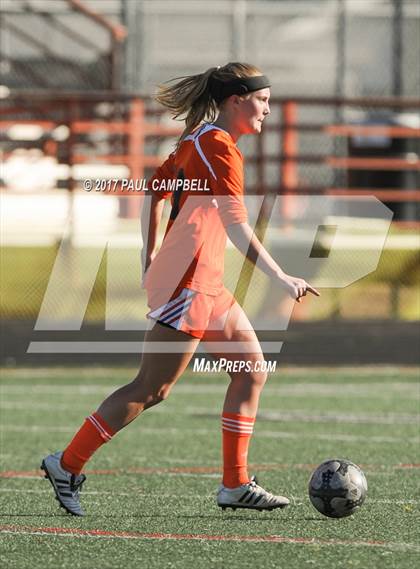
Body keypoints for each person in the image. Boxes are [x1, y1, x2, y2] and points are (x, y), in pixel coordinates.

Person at [41, 62, 320, 516]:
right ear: (237, 100)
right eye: (263, 100)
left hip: (204, 282)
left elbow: (156, 190)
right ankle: (65, 464)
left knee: (251, 371)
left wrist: (150, 255)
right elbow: (235, 225)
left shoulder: (202, 140)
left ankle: (235, 484)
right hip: (189, 284)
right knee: (151, 389)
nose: (268, 110)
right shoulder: (217, 147)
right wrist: (281, 276)